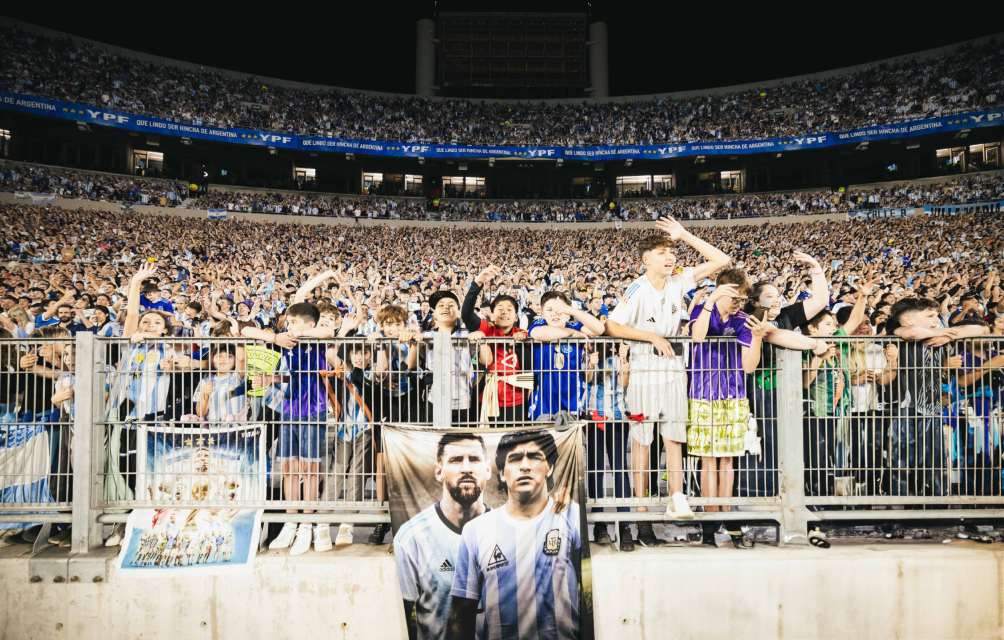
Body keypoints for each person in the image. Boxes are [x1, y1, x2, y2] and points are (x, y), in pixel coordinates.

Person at [604, 216, 731, 545]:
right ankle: (641, 515)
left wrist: (684, 234)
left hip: (674, 369)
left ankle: (676, 499)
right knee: (642, 442)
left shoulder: (680, 282)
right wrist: (649, 337)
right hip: (645, 369)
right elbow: (612, 326)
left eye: (671, 251)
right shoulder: (637, 288)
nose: (670, 256)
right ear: (646, 259)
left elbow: (722, 261)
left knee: (674, 439)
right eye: (662, 251)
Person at [448, 430, 581, 640]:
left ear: (550, 467)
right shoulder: (476, 531)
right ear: (501, 473)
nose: (525, 466)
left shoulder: (572, 517)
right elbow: (462, 614)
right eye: (515, 458)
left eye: (535, 457)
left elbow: (590, 597)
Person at [688, 269, 767, 544]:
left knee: (728, 459)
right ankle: (710, 521)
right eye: (733, 294)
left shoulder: (745, 320)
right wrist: (711, 301)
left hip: (733, 394)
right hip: (702, 393)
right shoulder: (701, 311)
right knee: (707, 459)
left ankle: (728, 515)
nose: (738, 301)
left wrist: (757, 338)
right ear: (721, 290)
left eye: (742, 297)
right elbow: (698, 337)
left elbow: (748, 366)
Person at [885, 297, 989, 496]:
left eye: (936, 316)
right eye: (930, 316)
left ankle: (937, 503)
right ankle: (900, 505)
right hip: (907, 408)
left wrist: (950, 336)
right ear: (908, 320)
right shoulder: (897, 331)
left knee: (935, 460)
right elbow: (912, 333)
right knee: (902, 461)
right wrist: (944, 332)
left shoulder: (941, 336)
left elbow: (982, 329)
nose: (936, 319)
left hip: (932, 407)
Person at [395, 433, 491, 640]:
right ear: (439, 471)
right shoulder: (412, 538)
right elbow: (399, 620)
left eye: (474, 459)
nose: (466, 468)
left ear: (488, 469)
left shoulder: (508, 534)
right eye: (456, 460)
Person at [261, 302, 331, 555]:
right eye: (288, 323)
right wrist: (272, 377)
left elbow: (327, 333)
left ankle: (306, 523)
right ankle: (290, 521)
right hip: (289, 409)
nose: (289, 327)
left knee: (310, 469)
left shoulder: (317, 337)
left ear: (309, 324)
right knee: (289, 467)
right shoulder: (285, 342)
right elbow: (249, 333)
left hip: (313, 409)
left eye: (294, 323)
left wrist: (302, 333)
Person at [526, 291, 604, 423]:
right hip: (544, 402)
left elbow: (599, 329)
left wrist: (571, 310)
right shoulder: (539, 323)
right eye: (549, 309)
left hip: (572, 400)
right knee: (545, 441)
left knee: (572, 441)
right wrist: (573, 334)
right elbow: (539, 334)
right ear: (542, 312)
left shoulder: (575, 324)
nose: (555, 313)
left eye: (560, 309)